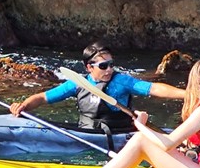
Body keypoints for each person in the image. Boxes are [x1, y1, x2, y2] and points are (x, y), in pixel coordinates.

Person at [10, 41, 184, 136]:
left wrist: (187, 94)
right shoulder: (76, 83)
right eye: (103, 66)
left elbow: (154, 88)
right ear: (89, 67)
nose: (109, 70)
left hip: (118, 133)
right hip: (86, 133)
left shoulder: (121, 81)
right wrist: (23, 106)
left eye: (111, 64)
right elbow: (42, 97)